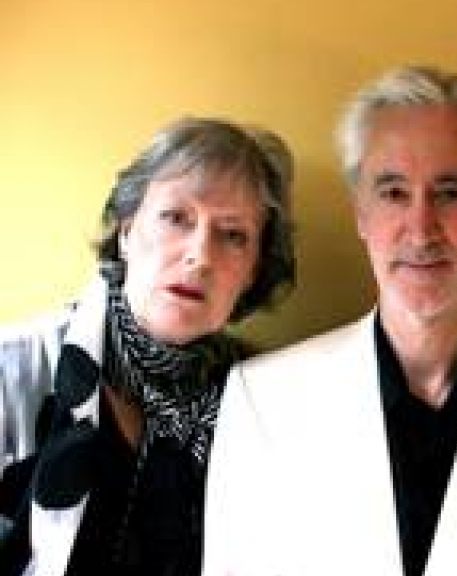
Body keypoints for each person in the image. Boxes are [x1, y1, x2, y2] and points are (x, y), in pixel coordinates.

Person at [202, 65, 457, 576]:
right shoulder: (265, 401)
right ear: (360, 212)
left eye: (449, 192)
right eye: (393, 192)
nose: (421, 229)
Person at [0, 117, 295, 576]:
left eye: (232, 235)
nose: (200, 255)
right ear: (125, 230)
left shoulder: (265, 400)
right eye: (176, 218)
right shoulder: (14, 368)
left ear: (254, 271)